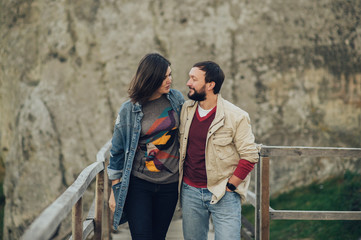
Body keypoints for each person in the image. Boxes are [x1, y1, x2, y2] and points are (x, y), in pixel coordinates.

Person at [107, 53, 184, 240]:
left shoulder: (176, 100)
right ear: (151, 78)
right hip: (139, 184)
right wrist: (115, 190)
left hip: (169, 184)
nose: (170, 80)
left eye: (170, 75)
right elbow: (116, 151)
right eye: (164, 77)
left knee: (158, 237)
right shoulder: (129, 109)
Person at [178, 61, 259, 240]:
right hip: (190, 191)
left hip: (223, 193)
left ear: (210, 85)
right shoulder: (186, 110)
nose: (188, 83)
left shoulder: (237, 116)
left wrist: (231, 186)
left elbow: (250, 155)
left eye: (193, 78)